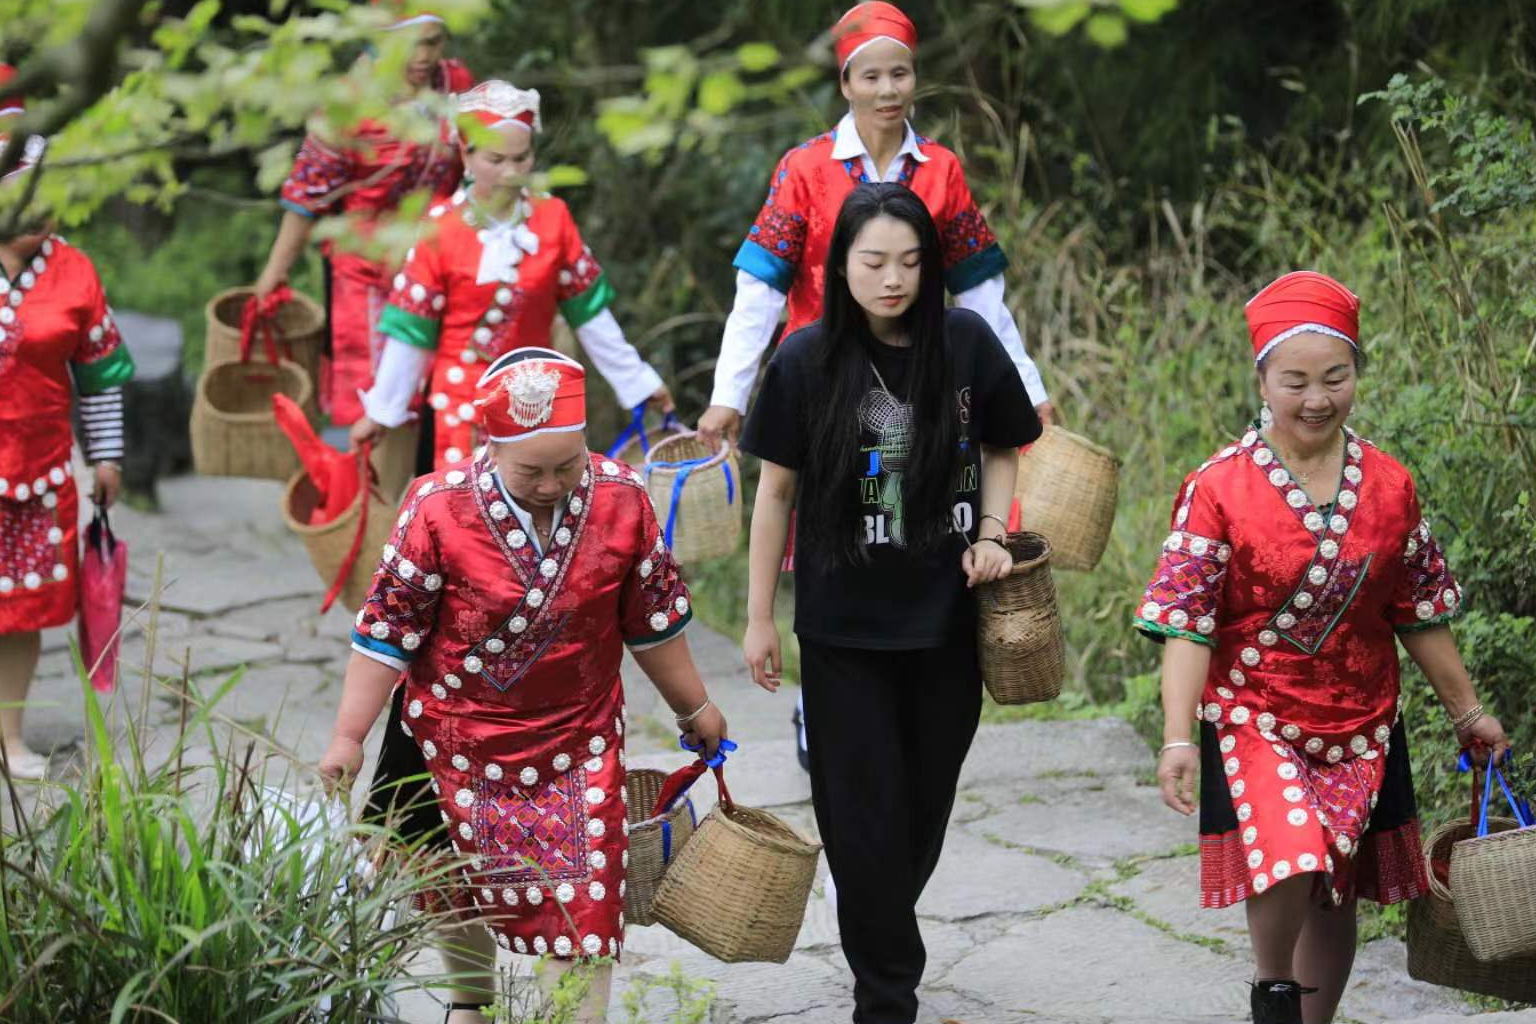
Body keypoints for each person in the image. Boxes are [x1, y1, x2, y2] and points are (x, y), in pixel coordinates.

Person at [1137, 271, 1510, 1024]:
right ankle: (1272, 993)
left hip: (1362, 722)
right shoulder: (1216, 488)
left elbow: (1420, 612)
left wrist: (1469, 714)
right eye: (1295, 381)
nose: (1317, 399)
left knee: (1336, 885)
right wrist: (1179, 737)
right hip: (1254, 715)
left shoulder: (1390, 486)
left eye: (1335, 377)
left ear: (1355, 374)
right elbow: (1186, 623)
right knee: (1293, 852)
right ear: (1263, 381)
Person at [318, 348, 726, 1024]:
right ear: (491, 444)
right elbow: (386, 635)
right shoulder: (435, 509)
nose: (549, 484)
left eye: (566, 466)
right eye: (530, 469)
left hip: (578, 737)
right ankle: (470, 1003)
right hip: (452, 737)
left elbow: (651, 623)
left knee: (586, 907)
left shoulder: (623, 498)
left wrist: (698, 706)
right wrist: (347, 737)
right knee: (452, 888)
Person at [739, 183, 1040, 1024]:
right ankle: (886, 995)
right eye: (873, 261)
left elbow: (1005, 445)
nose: (893, 278)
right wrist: (760, 614)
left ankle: (874, 917)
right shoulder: (805, 360)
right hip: (842, 629)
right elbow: (774, 496)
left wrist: (988, 531)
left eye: (911, 261)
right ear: (840, 266)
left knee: (919, 811)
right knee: (861, 814)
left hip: (946, 622)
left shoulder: (967, 341)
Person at [698, 0, 1052, 455]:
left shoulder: (941, 169)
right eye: (871, 77)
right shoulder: (805, 169)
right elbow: (758, 292)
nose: (889, 90)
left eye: (900, 74)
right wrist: (729, 395)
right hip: (819, 377)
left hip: (920, 384)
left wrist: (1027, 388)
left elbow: (982, 296)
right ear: (846, 83)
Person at [348, 81, 673, 468]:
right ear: (466, 158)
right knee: (466, 517)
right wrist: (383, 411)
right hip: (463, 408)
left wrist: (639, 384)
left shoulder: (553, 219)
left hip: (539, 401)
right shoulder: (440, 230)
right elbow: (412, 334)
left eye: (522, 159)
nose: (511, 172)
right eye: (496, 160)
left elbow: (591, 318)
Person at [254, 3, 473, 429]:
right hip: (367, 271)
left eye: (432, 42)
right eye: (409, 44)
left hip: (443, 266)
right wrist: (274, 273)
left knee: (443, 399)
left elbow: (483, 160)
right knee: (374, 403)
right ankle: (368, 494)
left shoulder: (455, 86)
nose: (422, 57)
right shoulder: (350, 103)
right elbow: (307, 195)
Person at [0, 119, 134, 779]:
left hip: (37, 470)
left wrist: (106, 456)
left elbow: (100, 376)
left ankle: (9, 737)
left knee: (20, 610)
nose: (40, 214)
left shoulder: (74, 269)